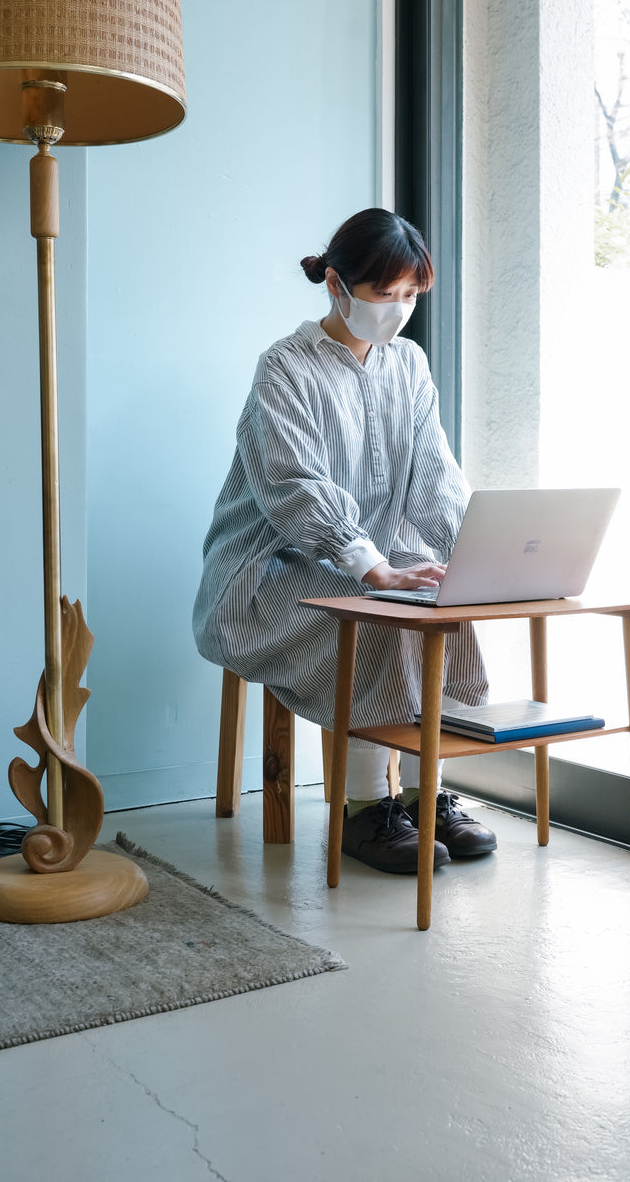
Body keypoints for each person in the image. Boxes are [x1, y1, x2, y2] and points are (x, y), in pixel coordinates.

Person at [193, 208, 496, 874]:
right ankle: (366, 810)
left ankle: (426, 795)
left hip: (364, 561)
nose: (399, 310)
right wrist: (368, 563)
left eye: (411, 296)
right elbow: (294, 488)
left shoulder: (409, 365)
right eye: (383, 295)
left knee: (435, 592)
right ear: (336, 284)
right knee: (386, 610)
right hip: (265, 576)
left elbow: (433, 475)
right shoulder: (285, 368)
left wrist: (480, 554)